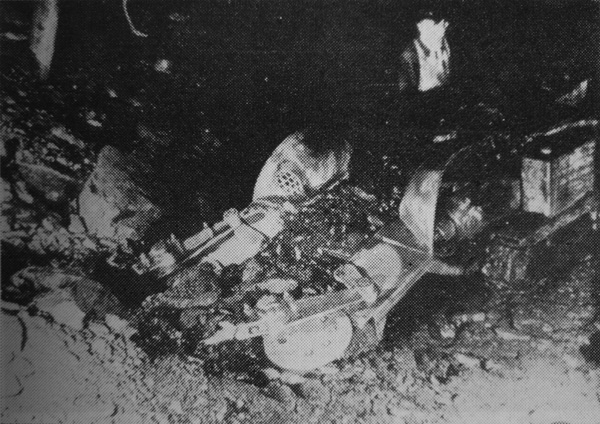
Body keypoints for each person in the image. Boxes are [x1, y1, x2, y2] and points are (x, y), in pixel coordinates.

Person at [398, 9, 451, 94]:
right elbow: (406, 94)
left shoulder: (446, 45)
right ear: (419, 26)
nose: (442, 29)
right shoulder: (409, 56)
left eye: (444, 24)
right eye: (435, 24)